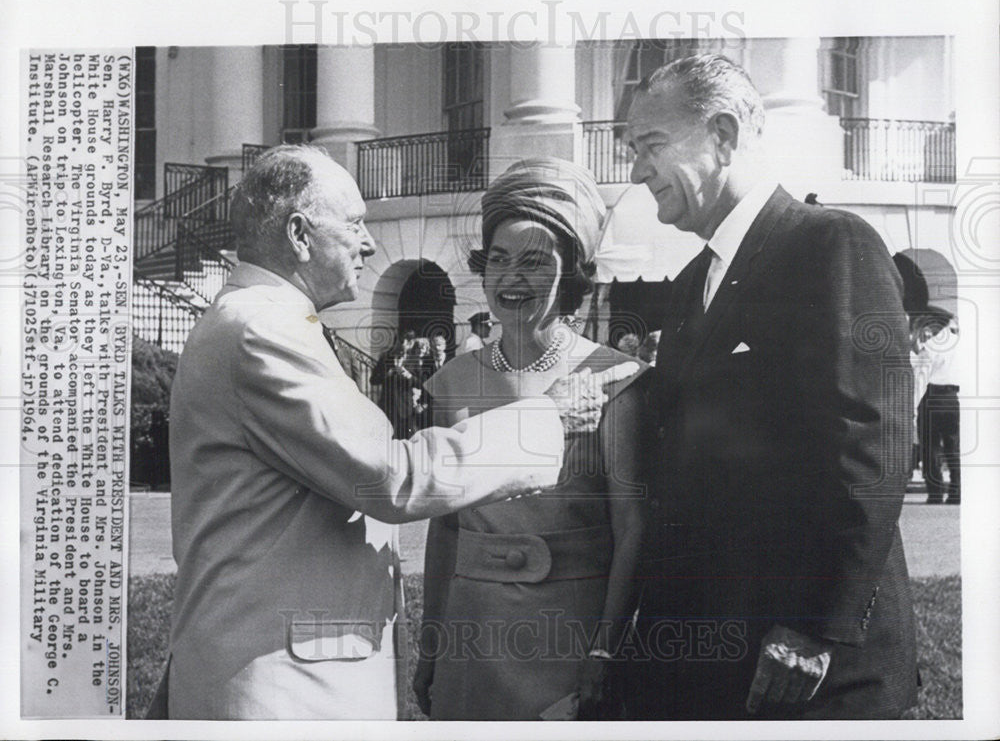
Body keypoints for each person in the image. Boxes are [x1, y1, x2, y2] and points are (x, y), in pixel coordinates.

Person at [161, 145, 636, 719]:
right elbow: (393, 480)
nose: (367, 242)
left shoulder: (269, 320)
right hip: (281, 683)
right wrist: (550, 416)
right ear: (299, 234)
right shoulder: (261, 329)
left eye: (534, 261)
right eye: (356, 224)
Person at [625, 55, 917, 719]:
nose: (638, 170)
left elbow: (872, 448)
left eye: (651, 146)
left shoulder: (831, 245)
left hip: (809, 669)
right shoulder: (688, 283)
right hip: (709, 659)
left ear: (723, 135)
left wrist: (815, 625)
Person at [413, 158, 647, 721]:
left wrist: (605, 649)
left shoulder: (614, 377)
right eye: (498, 260)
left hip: (570, 634)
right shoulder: (450, 382)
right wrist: (431, 644)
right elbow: (445, 530)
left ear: (571, 276)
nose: (511, 278)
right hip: (472, 633)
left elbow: (632, 528)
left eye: (535, 263)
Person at [911, 306, 961, 504]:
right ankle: (957, 492)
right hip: (953, 397)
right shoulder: (960, 343)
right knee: (953, 446)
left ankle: (935, 492)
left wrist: (914, 407)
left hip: (932, 396)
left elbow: (920, 376)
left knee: (930, 448)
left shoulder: (931, 346)